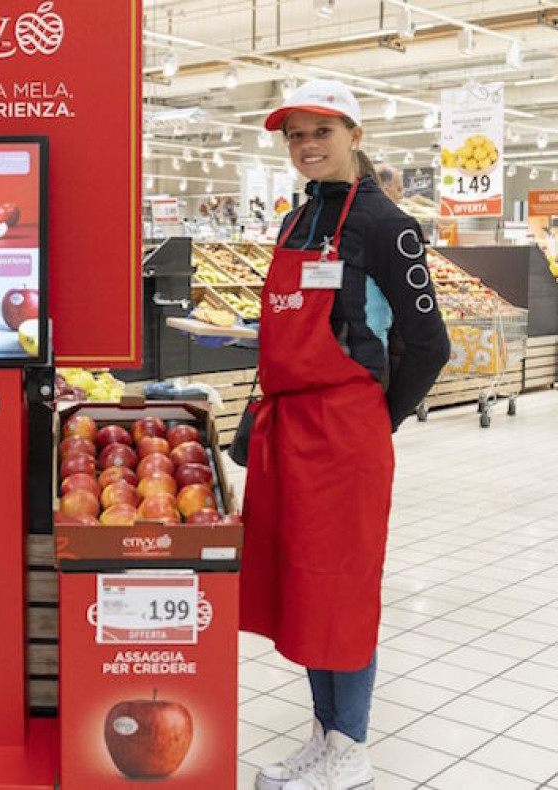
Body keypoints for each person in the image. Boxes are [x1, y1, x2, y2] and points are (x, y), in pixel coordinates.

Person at [241, 80, 450, 790]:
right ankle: (324, 734)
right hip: (290, 428)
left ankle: (351, 749)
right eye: (296, 134)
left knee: (343, 592)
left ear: (354, 135)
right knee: (303, 589)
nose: (307, 145)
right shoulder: (297, 220)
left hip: (344, 433)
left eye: (321, 131)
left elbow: (430, 344)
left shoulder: (388, 226)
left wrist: (375, 419)